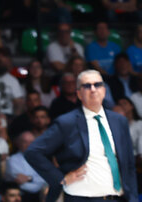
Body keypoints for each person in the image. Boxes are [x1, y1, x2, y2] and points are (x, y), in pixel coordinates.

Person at [24, 69, 137, 202]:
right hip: (81, 197)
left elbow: (129, 164)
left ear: (104, 90)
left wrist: (133, 198)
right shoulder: (66, 122)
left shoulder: (119, 121)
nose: (93, 89)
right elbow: (33, 152)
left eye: (98, 84)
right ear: (78, 94)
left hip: (117, 198)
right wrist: (61, 178)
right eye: (87, 86)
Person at [4, 132, 46, 202]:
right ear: (19, 144)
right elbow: (20, 180)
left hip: (39, 195)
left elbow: (45, 179)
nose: (29, 145)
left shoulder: (41, 160)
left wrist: (29, 178)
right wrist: (37, 180)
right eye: (25, 142)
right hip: (21, 196)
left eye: (31, 142)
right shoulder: (12, 160)